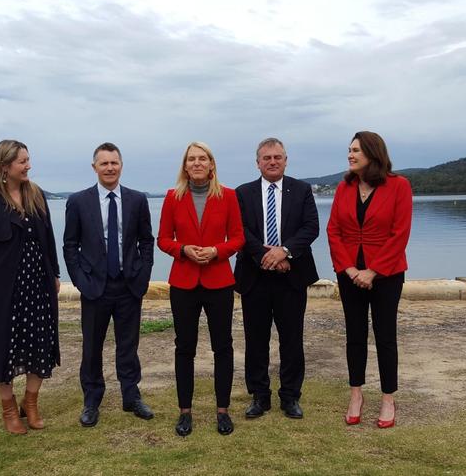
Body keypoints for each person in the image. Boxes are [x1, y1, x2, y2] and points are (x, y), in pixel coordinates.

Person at [0, 139, 61, 435]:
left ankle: (31, 404)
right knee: (1, 349)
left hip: (37, 288)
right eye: (22, 161)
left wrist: (54, 274)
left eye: (28, 160)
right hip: (0, 293)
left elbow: (49, 240)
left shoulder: (36, 195)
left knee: (39, 346)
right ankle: (9, 409)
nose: (28, 165)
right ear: (5, 166)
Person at [63, 142, 154, 428]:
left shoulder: (138, 200)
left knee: (128, 345)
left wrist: (142, 272)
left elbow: (146, 241)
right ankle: (92, 401)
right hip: (94, 288)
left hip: (128, 286)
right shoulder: (78, 201)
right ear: (95, 168)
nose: (110, 168)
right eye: (104, 163)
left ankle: (131, 396)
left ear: (121, 166)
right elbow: (70, 245)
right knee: (92, 347)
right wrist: (80, 279)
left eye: (114, 163)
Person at [158, 142, 244, 436]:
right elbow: (163, 239)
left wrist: (216, 251)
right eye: (191, 159)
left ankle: (223, 411)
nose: (196, 163)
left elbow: (237, 238)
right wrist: (183, 250)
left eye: (202, 158)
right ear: (185, 166)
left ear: (211, 164)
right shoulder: (172, 198)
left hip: (218, 280)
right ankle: (185, 412)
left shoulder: (228, 196)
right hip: (183, 282)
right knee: (185, 348)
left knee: (223, 347)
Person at [326, 131, 412, 428]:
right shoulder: (343, 187)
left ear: (373, 154)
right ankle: (356, 395)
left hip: (386, 273)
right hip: (349, 273)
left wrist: (373, 271)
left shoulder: (399, 186)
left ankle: (388, 399)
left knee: (385, 335)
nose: (350, 155)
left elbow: (399, 234)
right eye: (349, 150)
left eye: (356, 151)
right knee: (355, 334)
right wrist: (350, 270)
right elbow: (334, 231)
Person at [234, 137, 319, 420]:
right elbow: (241, 231)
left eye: (277, 157)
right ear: (257, 162)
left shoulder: (303, 189)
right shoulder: (242, 193)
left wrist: (284, 252)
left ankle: (290, 397)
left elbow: (311, 228)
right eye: (266, 157)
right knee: (256, 340)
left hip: (292, 276)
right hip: (254, 277)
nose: (272, 161)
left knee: (292, 339)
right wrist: (265, 257)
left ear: (286, 159)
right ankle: (259, 397)